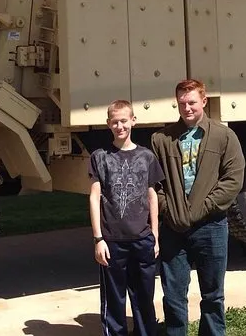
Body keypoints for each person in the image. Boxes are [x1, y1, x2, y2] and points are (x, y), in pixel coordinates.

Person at [150, 79, 245, 336]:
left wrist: (203, 208)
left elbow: (233, 180)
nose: (187, 108)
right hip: (173, 228)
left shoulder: (224, 136)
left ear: (204, 101)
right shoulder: (161, 139)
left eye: (192, 102)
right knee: (173, 296)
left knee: (213, 296)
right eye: (182, 103)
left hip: (211, 226)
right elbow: (154, 185)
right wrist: (169, 210)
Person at [89, 99, 165, 336]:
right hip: (112, 241)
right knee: (114, 300)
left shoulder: (147, 156)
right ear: (108, 124)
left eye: (124, 121)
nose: (120, 126)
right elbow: (94, 197)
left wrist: (155, 234)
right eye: (115, 122)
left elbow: (152, 196)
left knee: (144, 297)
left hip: (142, 239)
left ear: (133, 121)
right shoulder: (100, 157)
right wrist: (98, 238)